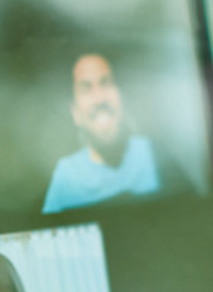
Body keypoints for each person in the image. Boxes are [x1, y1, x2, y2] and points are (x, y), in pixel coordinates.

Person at [42, 53, 162, 214]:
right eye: (86, 89)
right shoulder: (66, 177)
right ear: (75, 113)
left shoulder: (153, 153)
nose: (99, 99)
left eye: (105, 83)